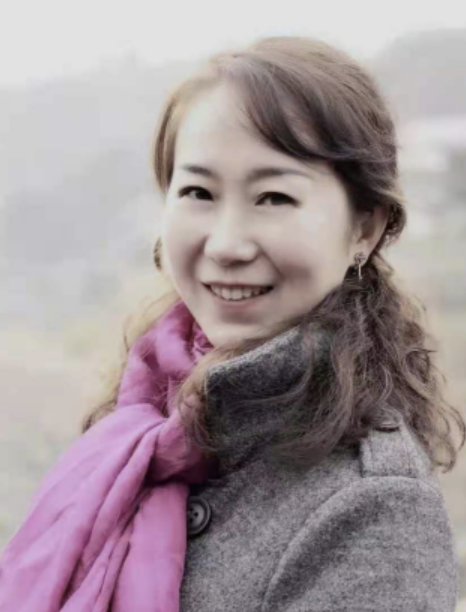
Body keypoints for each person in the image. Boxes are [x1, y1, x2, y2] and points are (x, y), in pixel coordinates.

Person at [0, 36, 464, 612]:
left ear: (363, 229)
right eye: (198, 191)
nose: (226, 244)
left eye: (273, 198)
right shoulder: (139, 425)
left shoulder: (373, 509)